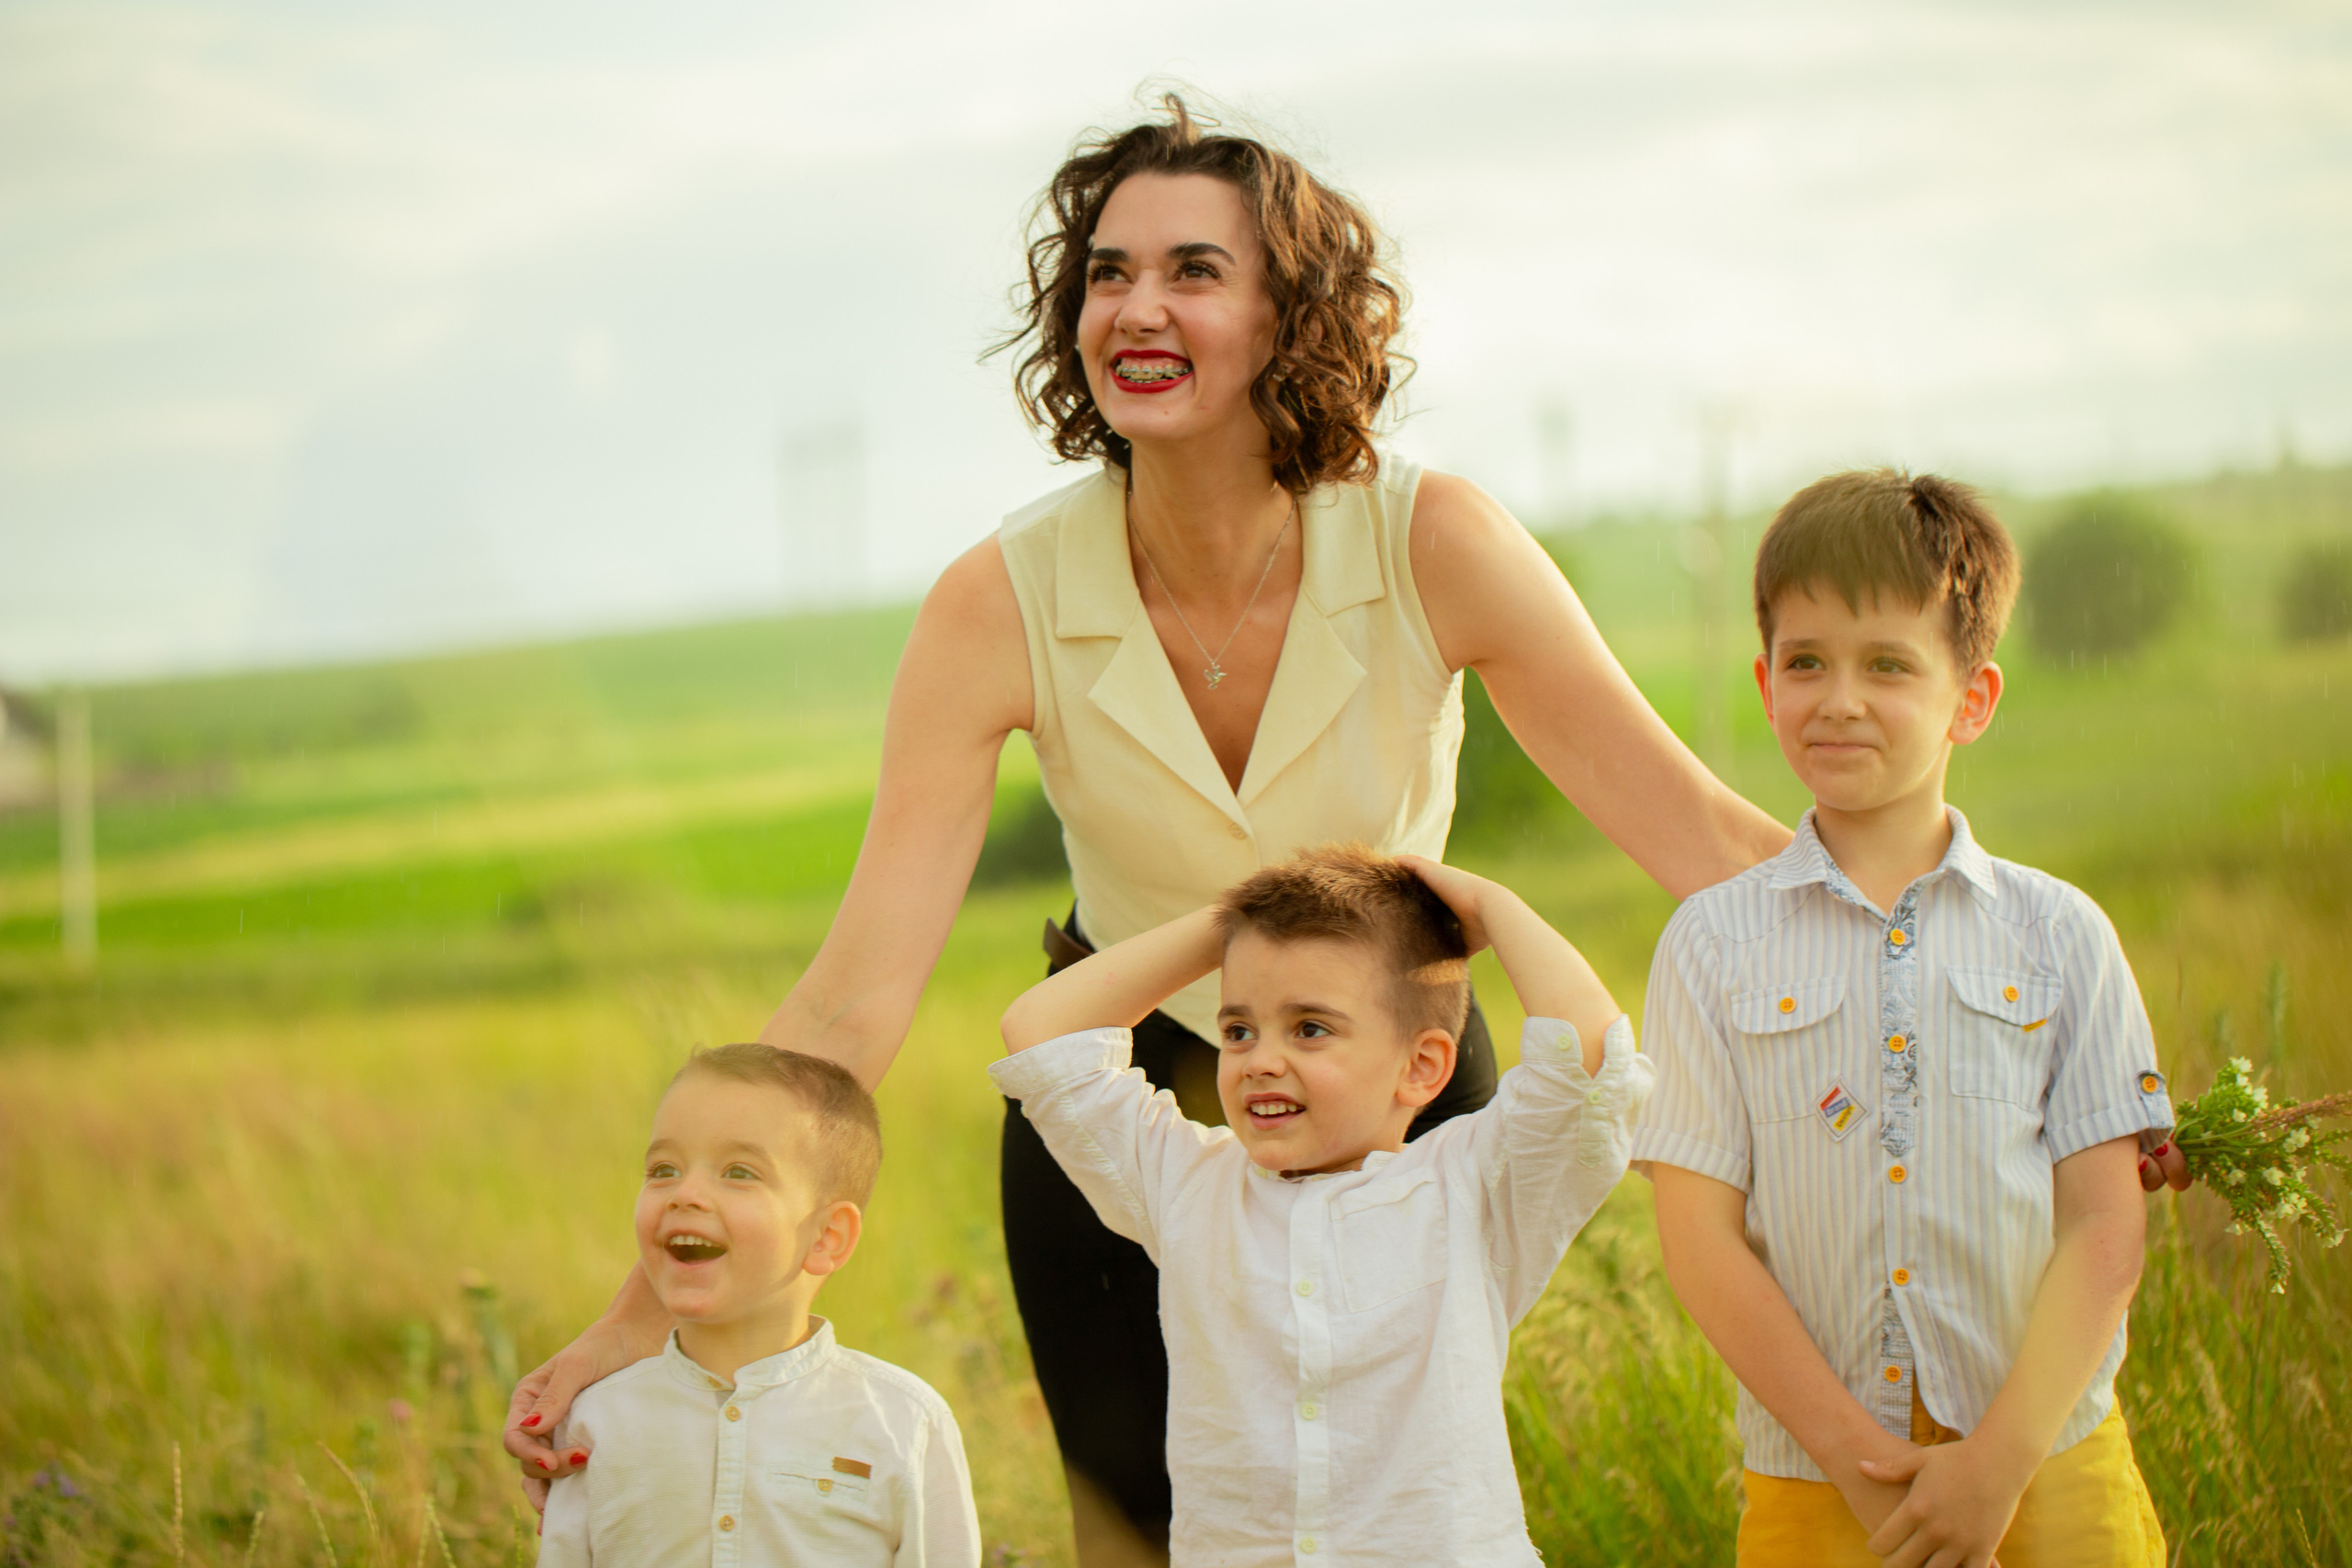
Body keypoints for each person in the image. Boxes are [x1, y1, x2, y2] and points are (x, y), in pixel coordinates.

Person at [505, 94, 1797, 1565]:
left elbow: (1704, 835)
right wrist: (636, 1314)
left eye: (1193, 270)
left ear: (1289, 316)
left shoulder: (1436, 537)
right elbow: (853, 995)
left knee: (1385, 1513)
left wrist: (1989, 980)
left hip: (1398, 1096)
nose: (1137, 306)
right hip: (1115, 1095)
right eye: (1108, 274)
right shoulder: (995, 599)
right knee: (1133, 1530)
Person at [1635, 470, 2174, 1567]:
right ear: (1764, 679)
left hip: (2050, 1461)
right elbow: (1699, 1239)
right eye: (1806, 663)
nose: (1838, 698)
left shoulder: (2060, 934)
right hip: (1817, 1484)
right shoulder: (1709, 944)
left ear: (1969, 699)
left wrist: (1999, 1464)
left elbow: (2103, 1226)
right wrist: (1852, 1461)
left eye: (1887, 664)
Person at [991, 843, 1650, 1566]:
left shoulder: (1473, 1187)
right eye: (1239, 1029)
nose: (1261, 1059)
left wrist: (1490, 906)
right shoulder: (1188, 1184)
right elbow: (1042, 1036)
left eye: (1309, 1028)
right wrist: (1230, 927)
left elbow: (1590, 1064)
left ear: (1422, 1065)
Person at [537, 1044, 979, 1567]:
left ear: (827, 1237)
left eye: (739, 1172)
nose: (685, 1193)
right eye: (663, 1169)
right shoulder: (599, 1421)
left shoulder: (902, 1421)